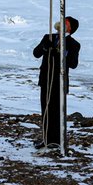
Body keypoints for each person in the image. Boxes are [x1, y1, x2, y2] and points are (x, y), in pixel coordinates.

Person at [33, 16, 80, 149]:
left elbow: (73, 64)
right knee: (46, 110)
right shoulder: (48, 37)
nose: (61, 22)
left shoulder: (74, 44)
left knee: (58, 112)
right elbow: (36, 53)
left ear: (70, 28)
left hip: (59, 82)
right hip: (46, 80)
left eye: (65, 22)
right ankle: (47, 140)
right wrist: (44, 47)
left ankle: (59, 141)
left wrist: (64, 53)